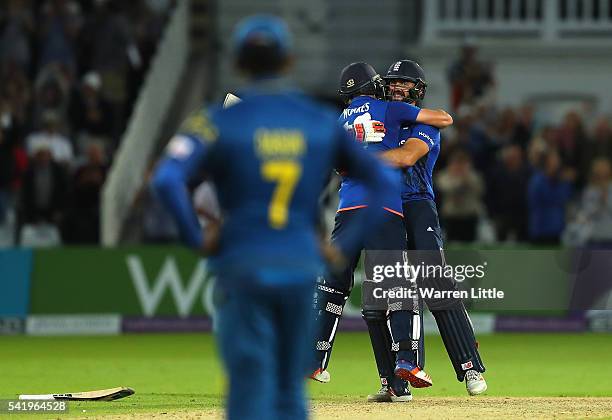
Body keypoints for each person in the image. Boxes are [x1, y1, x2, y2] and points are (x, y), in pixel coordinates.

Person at [152, 15, 395, 420]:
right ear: (289, 61)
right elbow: (385, 183)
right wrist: (344, 249)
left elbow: (166, 180)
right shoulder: (320, 120)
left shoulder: (215, 120)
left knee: (248, 386)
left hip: (242, 264)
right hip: (300, 265)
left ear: (239, 62)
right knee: (289, 391)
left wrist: (197, 237)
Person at [310, 61, 453, 403]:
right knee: (398, 285)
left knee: (333, 283)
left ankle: (314, 359)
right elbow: (442, 118)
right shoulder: (389, 107)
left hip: (346, 210)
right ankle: (407, 360)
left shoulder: (340, 120)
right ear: (373, 86)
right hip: (383, 209)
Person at [374, 59, 487, 395]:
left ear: (418, 90)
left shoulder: (426, 127)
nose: (395, 88)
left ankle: (471, 369)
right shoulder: (381, 119)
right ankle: (396, 381)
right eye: (392, 82)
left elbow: (406, 157)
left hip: (417, 205)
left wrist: (356, 159)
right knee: (387, 291)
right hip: (384, 207)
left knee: (435, 283)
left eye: (403, 83)